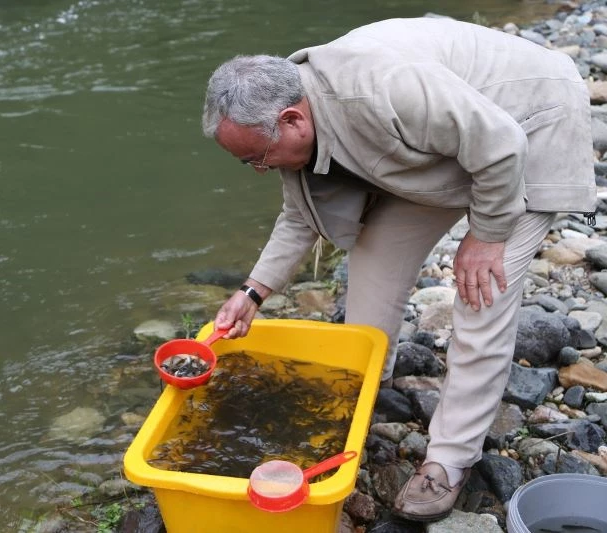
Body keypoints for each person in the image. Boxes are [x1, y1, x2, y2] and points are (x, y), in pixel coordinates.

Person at [201, 17, 596, 522]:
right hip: (449, 149)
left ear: (293, 120)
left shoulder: (382, 89)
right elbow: (299, 215)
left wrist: (486, 234)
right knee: (373, 256)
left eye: (257, 158)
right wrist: (251, 293)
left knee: (482, 291)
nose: (260, 168)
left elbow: (500, 145)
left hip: (528, 122)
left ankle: (448, 461)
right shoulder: (291, 114)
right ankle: (367, 385)